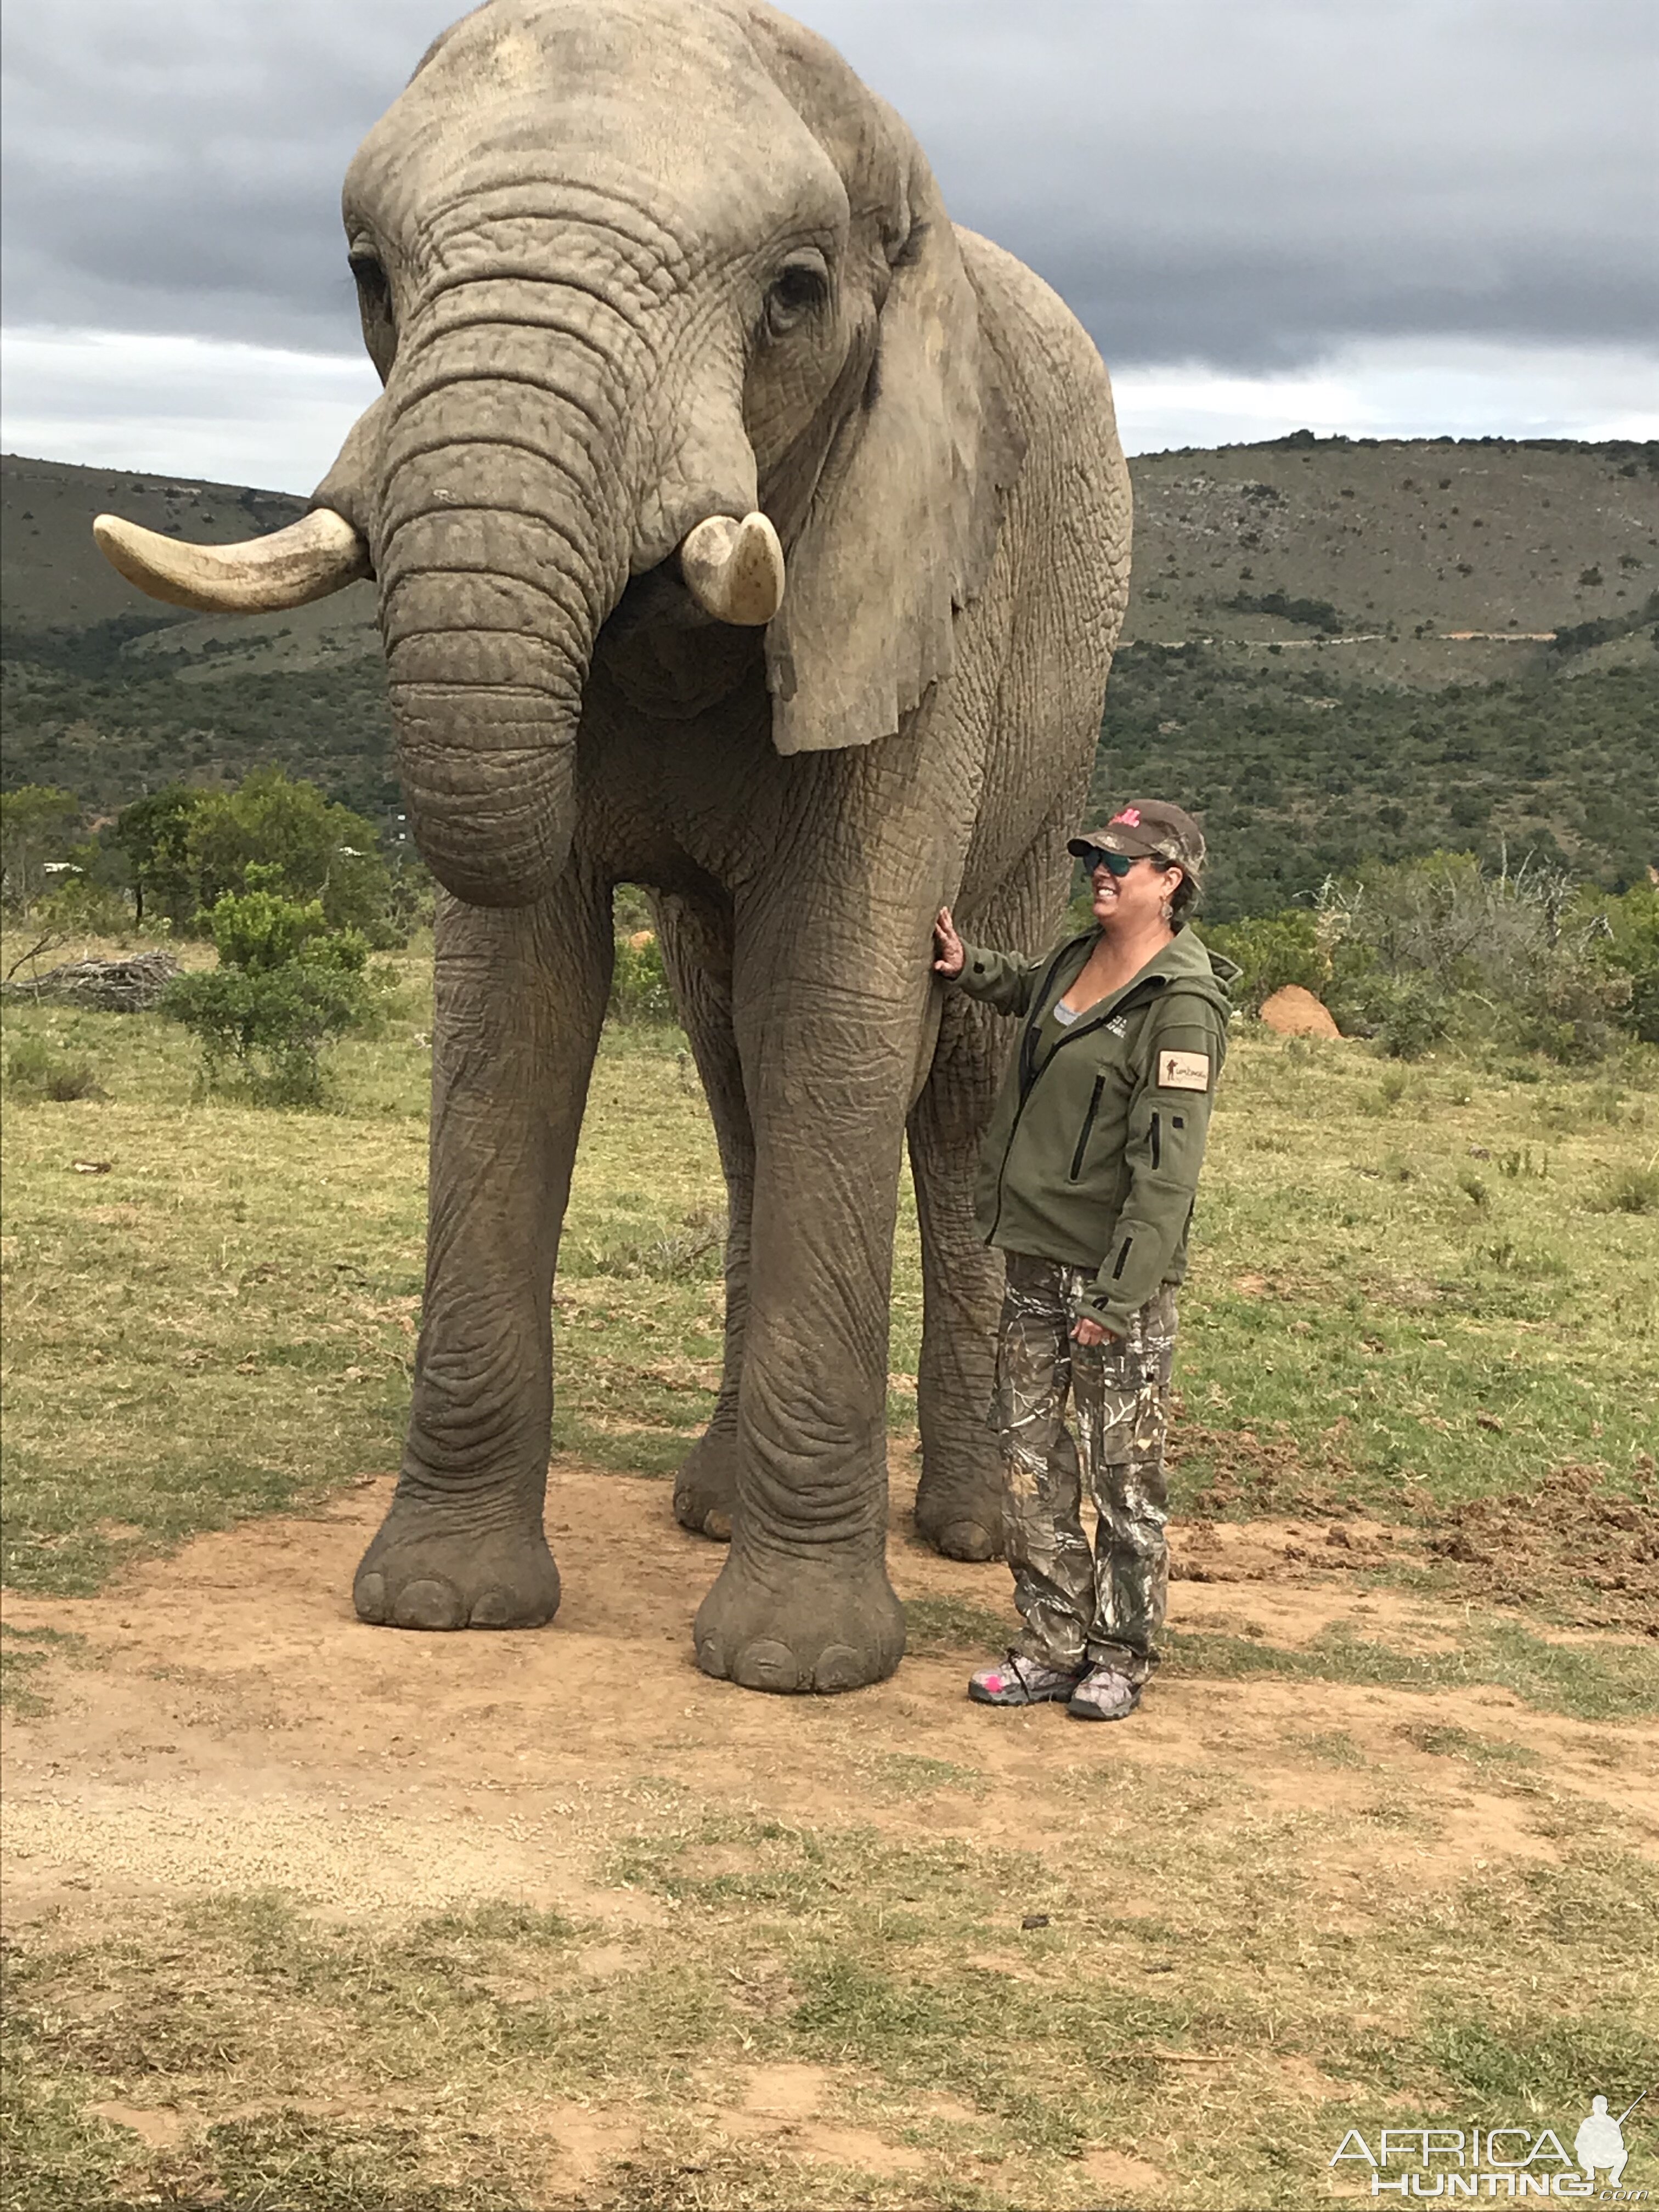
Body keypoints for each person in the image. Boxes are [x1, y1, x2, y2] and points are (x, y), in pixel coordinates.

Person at [933, 800, 1235, 1722]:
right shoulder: (1073, 959)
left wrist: (1119, 1293)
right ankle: (1050, 1644)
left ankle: (1121, 1654)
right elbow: (1032, 991)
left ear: (1171, 881)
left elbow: (1167, 1173)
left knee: (1122, 1474)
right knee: (1029, 1460)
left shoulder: (1181, 1005)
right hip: (1030, 1259)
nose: (1101, 871)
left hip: (1114, 1280)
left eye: (1124, 863)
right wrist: (968, 968)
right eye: (1096, 857)